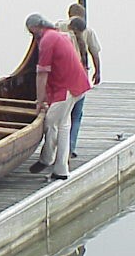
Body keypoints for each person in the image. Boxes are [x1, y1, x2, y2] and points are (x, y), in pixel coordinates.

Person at [26, 14, 91, 180]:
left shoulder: (47, 40)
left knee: (50, 122)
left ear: (36, 27)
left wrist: (40, 101)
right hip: (77, 84)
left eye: (32, 32)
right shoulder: (59, 35)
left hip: (66, 88)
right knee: (63, 126)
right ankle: (61, 169)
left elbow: (42, 73)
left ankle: (46, 159)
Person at [56, 3, 102, 158]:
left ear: (68, 14)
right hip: (80, 78)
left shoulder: (60, 27)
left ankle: (59, 148)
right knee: (76, 115)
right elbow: (95, 53)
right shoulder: (88, 31)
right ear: (83, 16)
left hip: (61, 77)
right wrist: (98, 72)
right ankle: (71, 147)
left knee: (62, 115)